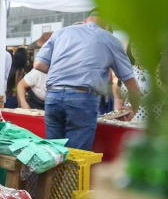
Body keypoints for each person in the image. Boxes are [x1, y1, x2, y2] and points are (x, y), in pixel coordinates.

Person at [33, 9, 140, 150]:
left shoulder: (60, 33)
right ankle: (71, 172)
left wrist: (64, 72)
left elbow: (38, 64)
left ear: (85, 20)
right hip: (82, 98)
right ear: (107, 24)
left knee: (53, 153)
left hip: (53, 95)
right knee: (76, 157)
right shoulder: (110, 39)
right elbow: (129, 80)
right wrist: (134, 107)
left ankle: (52, 173)